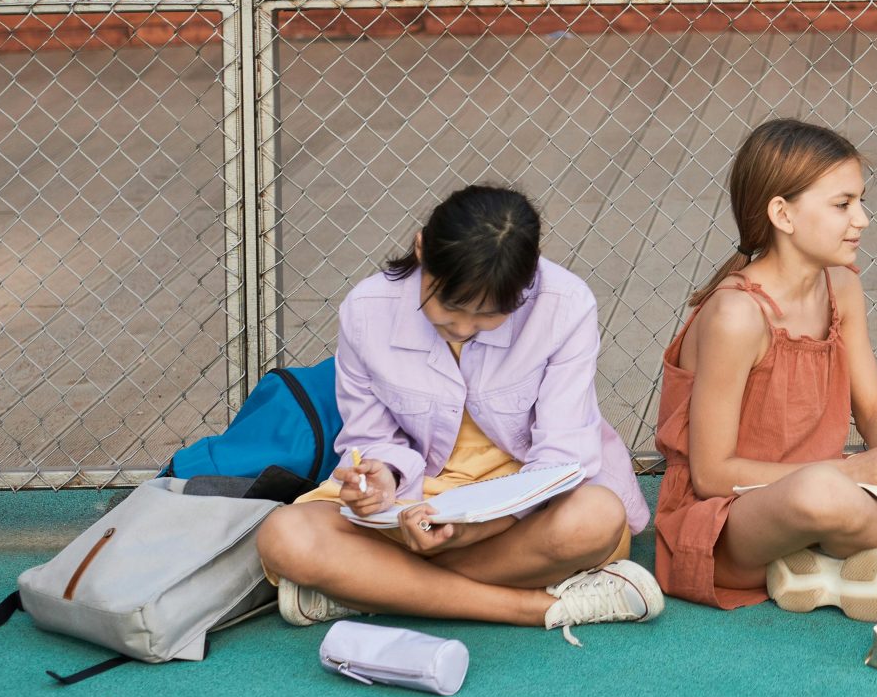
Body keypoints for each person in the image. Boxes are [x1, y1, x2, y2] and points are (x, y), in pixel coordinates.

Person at [255, 184, 663, 637]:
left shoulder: (565, 304)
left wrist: (473, 528)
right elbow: (368, 440)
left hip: (521, 505)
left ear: (524, 285)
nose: (465, 328)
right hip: (411, 503)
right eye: (450, 307)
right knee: (283, 535)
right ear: (422, 249)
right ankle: (536, 608)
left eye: (490, 315)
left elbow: (562, 458)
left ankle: (372, 588)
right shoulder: (367, 310)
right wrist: (378, 480)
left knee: (596, 519)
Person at [652, 118, 877, 617]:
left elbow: (873, 408)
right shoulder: (736, 315)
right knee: (820, 492)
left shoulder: (842, 286)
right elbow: (711, 475)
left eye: (860, 201)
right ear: (782, 214)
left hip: (842, 484)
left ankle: (836, 559)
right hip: (731, 522)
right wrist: (853, 472)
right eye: (842, 205)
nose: (863, 219)